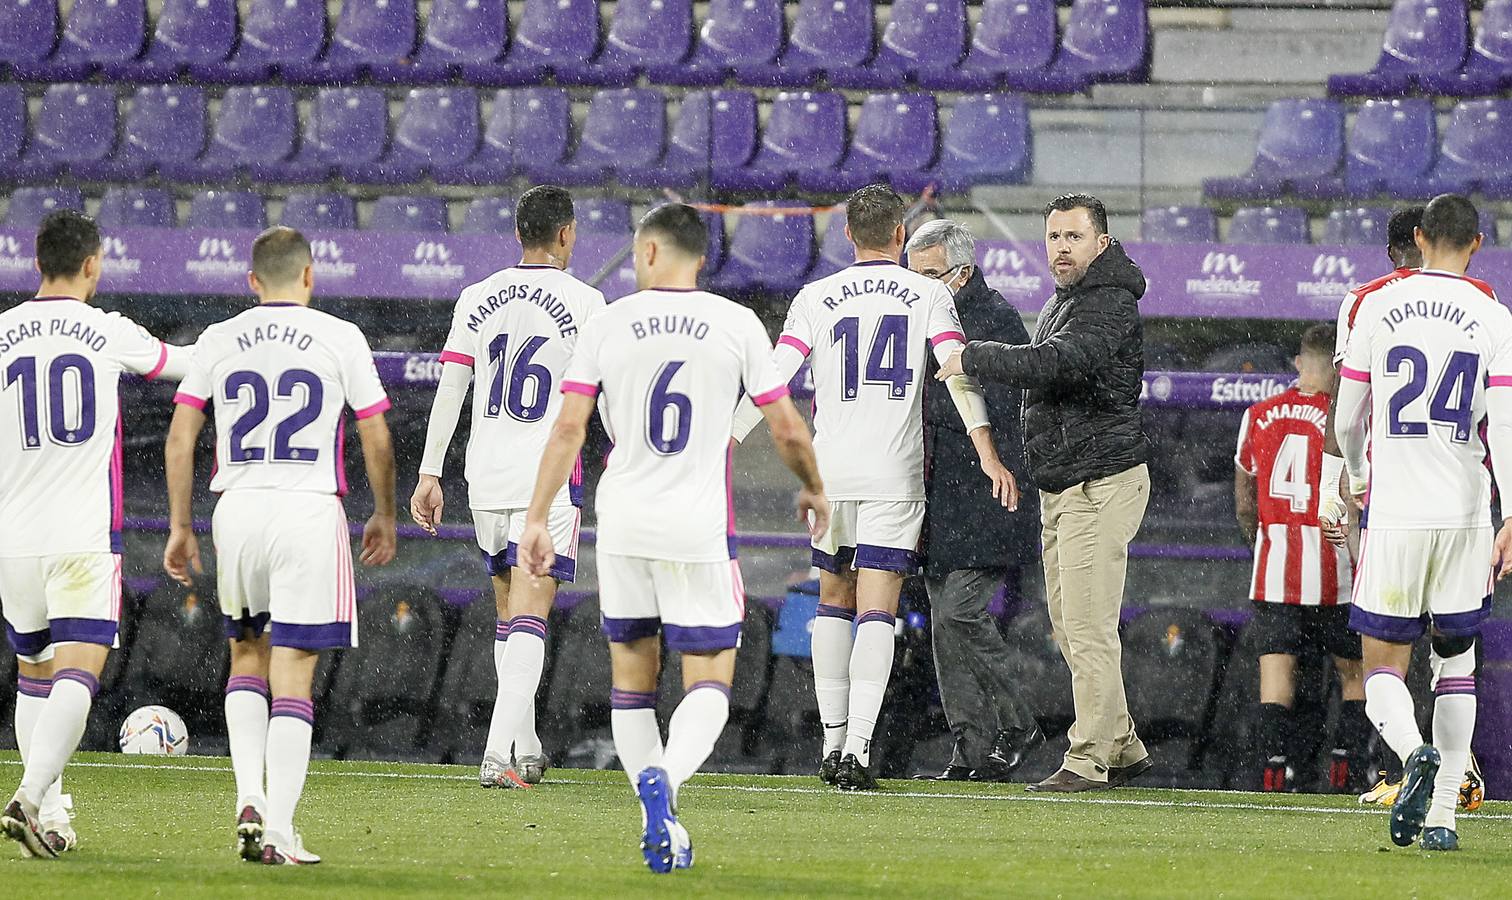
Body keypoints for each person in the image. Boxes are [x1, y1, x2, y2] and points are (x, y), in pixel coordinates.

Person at [516, 203, 828, 873]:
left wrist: (538, 515)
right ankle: (669, 783)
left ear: (652, 253)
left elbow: (568, 430)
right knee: (710, 677)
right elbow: (788, 429)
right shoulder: (737, 324)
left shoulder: (608, 323)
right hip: (698, 524)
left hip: (624, 517)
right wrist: (812, 485)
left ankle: (656, 809)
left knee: (632, 679)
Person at [732, 184, 1011, 791]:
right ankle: (858, 748)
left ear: (849, 238)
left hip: (831, 474)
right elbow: (956, 372)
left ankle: (831, 741)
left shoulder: (816, 296)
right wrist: (986, 448)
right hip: (894, 474)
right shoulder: (930, 292)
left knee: (832, 599)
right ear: (901, 235)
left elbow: (775, 378)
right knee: (877, 610)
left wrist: (729, 439)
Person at [162, 226, 398, 865]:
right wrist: (382, 511)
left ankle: (248, 795)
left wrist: (182, 525)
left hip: (235, 508)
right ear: (310, 276)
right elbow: (375, 435)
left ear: (251, 282)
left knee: (247, 654)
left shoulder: (218, 338)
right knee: (294, 669)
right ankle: (281, 827)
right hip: (307, 509)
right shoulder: (340, 336)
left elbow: (181, 438)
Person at [937, 193, 1152, 793]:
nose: (1060, 247)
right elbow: (1047, 367)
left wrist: (972, 356)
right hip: (1066, 483)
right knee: (1071, 623)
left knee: (1086, 627)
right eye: (1054, 236)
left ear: (1101, 243)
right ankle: (1125, 743)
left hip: (1098, 482)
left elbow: (1062, 363)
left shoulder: (1108, 303)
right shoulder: (1071, 299)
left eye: (1073, 237)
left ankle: (1088, 758)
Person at [0, 210, 193, 859]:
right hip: (81, 536)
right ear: (92, 265)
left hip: (13, 538)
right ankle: (27, 800)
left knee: (34, 673)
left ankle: (50, 819)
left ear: (36, 263)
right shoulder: (105, 330)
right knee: (77, 676)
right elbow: (179, 364)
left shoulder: (1, 333)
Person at [409, 186, 605, 789]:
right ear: (566, 234)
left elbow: (451, 387)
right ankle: (497, 755)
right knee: (532, 610)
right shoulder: (589, 301)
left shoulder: (477, 296)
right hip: (543, 478)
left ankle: (524, 746)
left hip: (484, 473)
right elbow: (602, 397)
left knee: (507, 612)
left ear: (520, 234)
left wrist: (429, 470)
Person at [1334, 193, 1512, 852]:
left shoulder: (1376, 305)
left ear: (1416, 236)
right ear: (1477, 243)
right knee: (1457, 663)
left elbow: (1348, 418)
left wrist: (1355, 475)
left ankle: (1413, 755)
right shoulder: (1495, 316)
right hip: (1466, 511)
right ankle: (1443, 815)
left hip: (1397, 510)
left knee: (1381, 662)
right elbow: (1508, 425)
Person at [904, 219, 1043, 782]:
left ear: (961, 274)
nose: (920, 287)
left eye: (931, 276)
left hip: (990, 488)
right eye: (914, 277)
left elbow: (1004, 409)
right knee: (944, 623)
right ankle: (971, 749)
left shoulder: (993, 320)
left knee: (959, 610)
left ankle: (1018, 720)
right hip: (943, 494)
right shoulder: (936, 315)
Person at [1233, 323, 1368, 793]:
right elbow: (1356, 496)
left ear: (1298, 363)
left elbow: (1245, 502)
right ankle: (1347, 767)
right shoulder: (1346, 417)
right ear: (1338, 366)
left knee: (1276, 676)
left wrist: (1264, 545)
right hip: (1336, 568)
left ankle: (1273, 771)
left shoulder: (1259, 414)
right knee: (1356, 675)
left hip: (1275, 571)